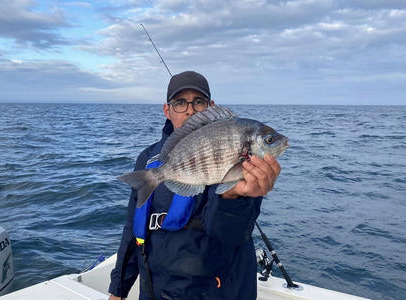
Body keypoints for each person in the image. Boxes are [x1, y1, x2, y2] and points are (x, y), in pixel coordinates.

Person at [108, 71, 281, 300]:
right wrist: (118, 290)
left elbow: (231, 234)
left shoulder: (243, 161)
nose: (190, 110)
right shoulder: (148, 159)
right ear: (167, 110)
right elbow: (133, 230)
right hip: (155, 290)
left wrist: (233, 198)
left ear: (211, 106)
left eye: (198, 101)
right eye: (180, 102)